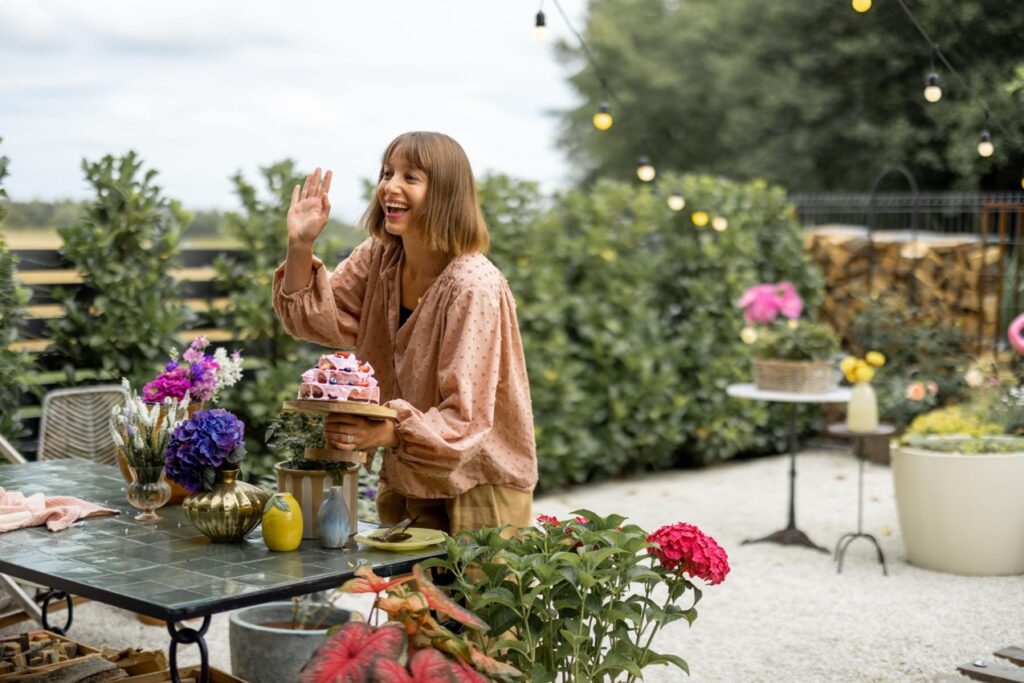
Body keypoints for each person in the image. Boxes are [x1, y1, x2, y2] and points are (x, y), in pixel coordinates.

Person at [273, 131, 537, 535]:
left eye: (410, 177)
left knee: (471, 599)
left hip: (480, 486)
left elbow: (465, 419)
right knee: (403, 599)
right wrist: (300, 245)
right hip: (408, 470)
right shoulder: (380, 257)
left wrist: (385, 430)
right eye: (387, 172)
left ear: (444, 195)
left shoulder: (473, 286)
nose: (389, 187)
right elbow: (313, 319)